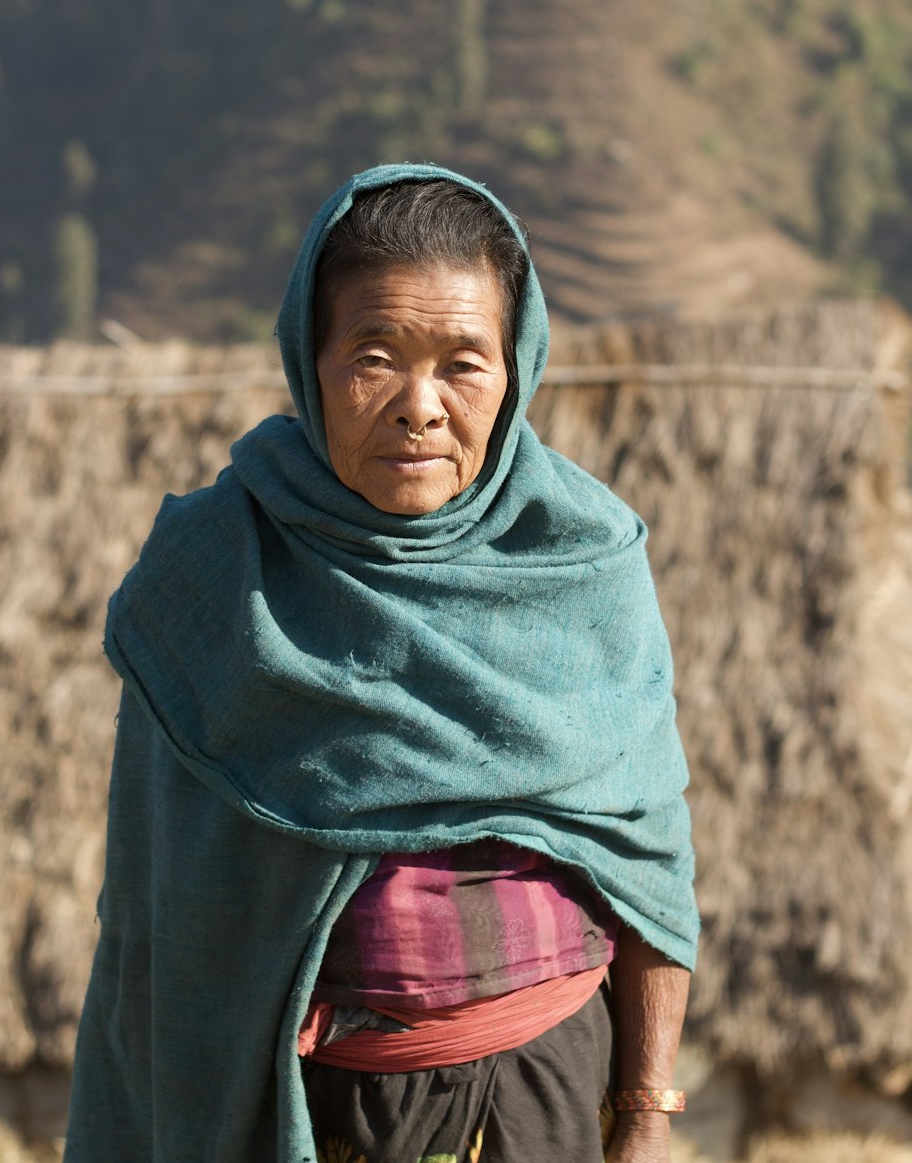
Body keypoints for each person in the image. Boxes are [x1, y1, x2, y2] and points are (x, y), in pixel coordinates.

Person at [64, 162, 698, 1163]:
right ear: (308, 360)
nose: (419, 405)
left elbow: (646, 857)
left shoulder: (580, 567)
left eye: (462, 362)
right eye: (373, 356)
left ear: (516, 367)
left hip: (545, 1090)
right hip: (306, 1107)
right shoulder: (218, 573)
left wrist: (646, 1111)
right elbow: (162, 910)